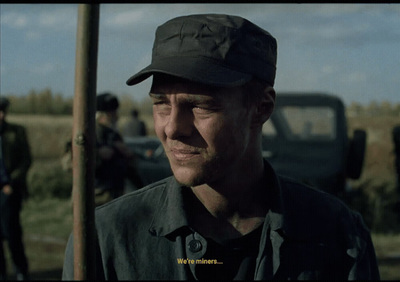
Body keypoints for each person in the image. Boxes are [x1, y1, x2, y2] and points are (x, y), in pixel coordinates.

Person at [62, 14, 380, 280]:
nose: (172, 127)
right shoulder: (107, 239)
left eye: (200, 106)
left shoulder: (339, 236)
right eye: (161, 104)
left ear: (261, 107)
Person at [0, 97, 31, 280]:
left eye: (4, 111)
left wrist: (11, 183)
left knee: (12, 233)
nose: (2, 115)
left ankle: (21, 271)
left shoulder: (16, 132)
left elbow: (26, 159)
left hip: (9, 191)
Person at [94, 93, 143, 205]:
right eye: (112, 113)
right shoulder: (88, 134)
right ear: (102, 115)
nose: (116, 116)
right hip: (96, 198)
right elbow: (70, 162)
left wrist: (128, 155)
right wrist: (98, 155)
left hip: (115, 197)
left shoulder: (114, 135)